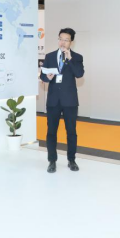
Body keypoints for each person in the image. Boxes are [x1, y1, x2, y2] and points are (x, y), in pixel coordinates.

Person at [40, 28, 85, 173]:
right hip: (53, 100)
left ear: (71, 42)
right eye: (61, 39)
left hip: (70, 101)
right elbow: (42, 75)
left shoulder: (77, 57)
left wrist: (70, 59)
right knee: (51, 132)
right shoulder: (50, 56)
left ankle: (71, 160)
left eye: (66, 40)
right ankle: (52, 161)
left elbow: (79, 74)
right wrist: (47, 77)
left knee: (71, 132)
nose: (62, 42)